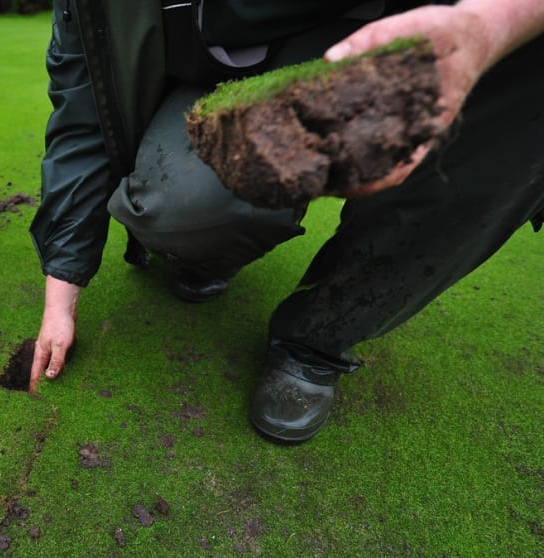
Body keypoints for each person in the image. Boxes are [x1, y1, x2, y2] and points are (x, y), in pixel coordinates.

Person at [28, 0, 544, 443]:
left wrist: (487, 23)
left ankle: (319, 337)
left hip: (445, 29)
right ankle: (208, 251)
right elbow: (82, 116)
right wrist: (62, 292)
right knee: (178, 206)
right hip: (236, 76)